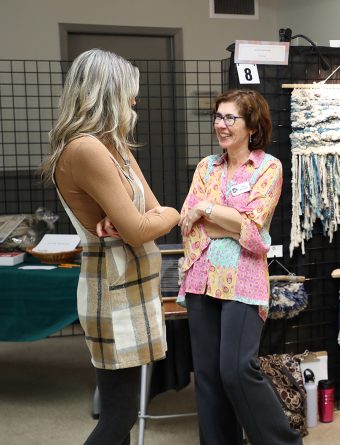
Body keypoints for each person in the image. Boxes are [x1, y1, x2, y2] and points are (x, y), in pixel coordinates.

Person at [41, 48, 180, 444]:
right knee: (119, 416)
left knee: (123, 414)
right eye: (129, 92)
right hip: (113, 290)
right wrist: (158, 216)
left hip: (132, 285)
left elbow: (150, 215)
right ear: (107, 92)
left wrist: (147, 218)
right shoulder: (85, 149)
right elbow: (142, 226)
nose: (135, 100)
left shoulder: (112, 145)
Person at [178, 89, 301, 445]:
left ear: (252, 126)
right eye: (218, 117)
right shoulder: (206, 167)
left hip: (243, 282)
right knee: (208, 376)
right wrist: (227, 221)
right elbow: (189, 221)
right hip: (201, 278)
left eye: (231, 118)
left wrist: (209, 211)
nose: (221, 125)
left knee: (235, 370)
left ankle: (284, 442)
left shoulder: (269, 167)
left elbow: (255, 224)